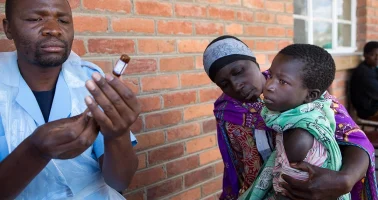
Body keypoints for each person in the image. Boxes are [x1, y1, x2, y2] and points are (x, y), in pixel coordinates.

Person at [203, 35, 377, 200]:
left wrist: (345, 179)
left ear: (255, 63)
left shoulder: (299, 91)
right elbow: (234, 166)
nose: (236, 85)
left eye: (239, 71)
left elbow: (354, 139)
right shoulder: (226, 111)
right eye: (224, 84)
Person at [0, 0, 139, 199]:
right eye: (35, 19)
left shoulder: (90, 80)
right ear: (8, 28)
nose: (53, 29)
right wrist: (35, 150)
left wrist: (118, 135)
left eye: (63, 21)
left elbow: (119, 182)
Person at [240, 44, 350, 199]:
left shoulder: (299, 137)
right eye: (270, 76)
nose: (269, 85)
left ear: (310, 95)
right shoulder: (312, 113)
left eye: (283, 82)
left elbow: (288, 193)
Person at [350, 41, 378, 120]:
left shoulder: (372, 68)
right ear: (365, 55)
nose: (377, 58)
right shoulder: (363, 72)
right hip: (368, 110)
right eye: (373, 55)